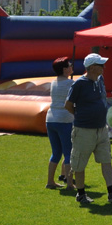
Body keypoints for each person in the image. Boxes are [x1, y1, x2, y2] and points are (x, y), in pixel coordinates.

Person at [64, 53, 112, 206]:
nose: (104, 67)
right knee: (79, 163)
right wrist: (81, 116)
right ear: (92, 67)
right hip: (84, 130)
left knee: (106, 159)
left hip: (101, 129)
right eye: (100, 65)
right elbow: (68, 105)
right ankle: (81, 194)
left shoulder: (100, 80)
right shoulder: (79, 84)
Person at [45, 57, 75, 190]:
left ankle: (50, 181)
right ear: (64, 69)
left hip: (51, 119)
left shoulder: (53, 82)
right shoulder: (70, 83)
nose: (71, 66)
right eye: (69, 65)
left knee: (56, 153)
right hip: (64, 119)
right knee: (68, 152)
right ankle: (69, 183)